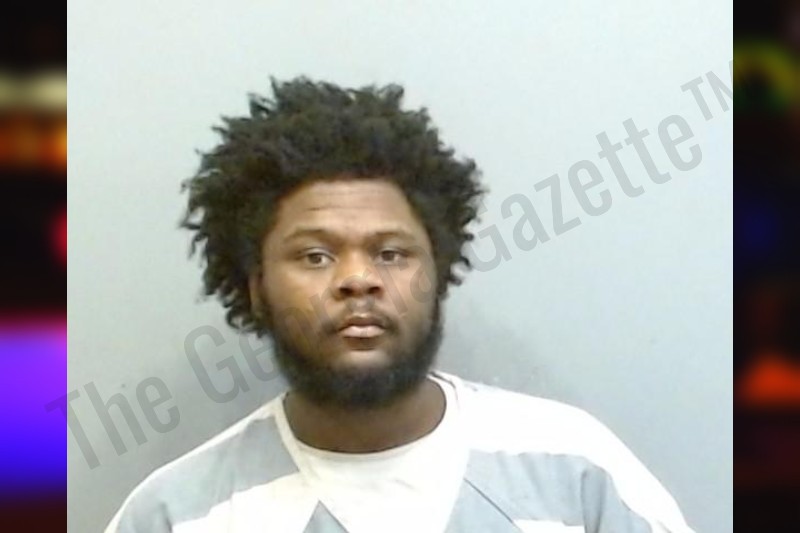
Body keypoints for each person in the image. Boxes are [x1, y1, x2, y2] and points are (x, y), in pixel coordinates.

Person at [105, 78, 693, 533]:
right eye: (314, 256)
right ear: (255, 286)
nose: (357, 280)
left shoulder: (574, 468)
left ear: (438, 272)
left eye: (390, 253)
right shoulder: (179, 513)